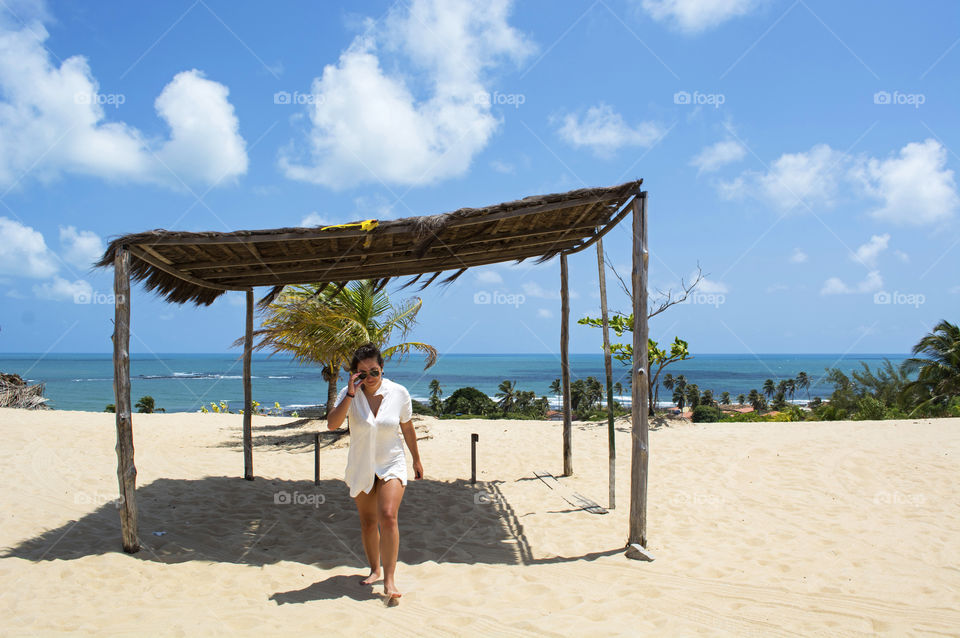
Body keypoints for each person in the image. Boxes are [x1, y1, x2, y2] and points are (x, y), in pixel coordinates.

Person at [326, 342, 424, 601]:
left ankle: (390, 580)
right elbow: (332, 424)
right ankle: (374, 569)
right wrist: (349, 394)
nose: (369, 377)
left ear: (382, 369)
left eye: (374, 371)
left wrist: (416, 459)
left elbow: (407, 428)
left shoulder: (399, 393)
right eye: (362, 373)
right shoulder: (351, 395)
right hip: (361, 464)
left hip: (392, 462)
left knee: (388, 515)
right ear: (355, 373)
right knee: (368, 522)